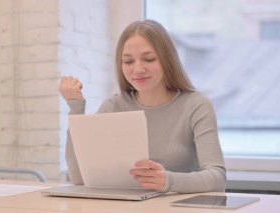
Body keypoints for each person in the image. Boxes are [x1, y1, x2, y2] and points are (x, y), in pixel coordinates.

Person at [59, 19, 226, 193]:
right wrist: (76, 109)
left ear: (167, 60)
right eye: (128, 61)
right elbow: (78, 177)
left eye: (149, 59)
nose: (138, 69)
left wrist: (167, 180)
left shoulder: (196, 105)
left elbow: (217, 178)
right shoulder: (112, 106)